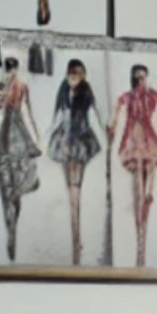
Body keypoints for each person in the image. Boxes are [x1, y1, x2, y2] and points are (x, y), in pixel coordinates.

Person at [0, 57, 42, 259]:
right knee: (10, 181)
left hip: (13, 127)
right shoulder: (12, 86)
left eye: (11, 69)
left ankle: (12, 229)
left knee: (13, 181)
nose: (11, 73)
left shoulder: (14, 86)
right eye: (10, 70)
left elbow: (23, 110)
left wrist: (35, 135)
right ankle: (11, 231)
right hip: (11, 127)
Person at [46, 58, 106, 263]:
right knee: (69, 188)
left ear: (83, 76)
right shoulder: (62, 91)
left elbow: (94, 116)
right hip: (64, 141)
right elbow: (56, 117)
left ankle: (76, 233)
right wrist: (46, 136)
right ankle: (74, 233)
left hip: (80, 141)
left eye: (78, 73)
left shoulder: (86, 93)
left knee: (75, 189)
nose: (73, 76)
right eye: (71, 72)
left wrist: (105, 140)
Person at [109, 64, 157, 265]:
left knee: (147, 186)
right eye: (138, 78)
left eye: (144, 77)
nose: (141, 81)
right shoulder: (130, 96)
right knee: (137, 191)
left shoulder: (153, 96)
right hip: (134, 139)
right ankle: (139, 237)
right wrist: (114, 125)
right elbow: (118, 105)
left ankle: (144, 234)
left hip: (148, 140)